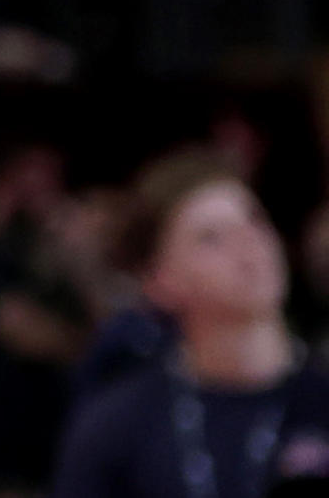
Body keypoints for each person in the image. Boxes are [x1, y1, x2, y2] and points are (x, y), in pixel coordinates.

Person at [48, 159, 329, 498]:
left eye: (254, 218)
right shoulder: (116, 425)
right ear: (159, 279)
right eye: (211, 237)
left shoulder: (319, 393)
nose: (249, 243)